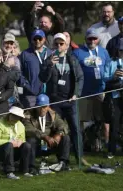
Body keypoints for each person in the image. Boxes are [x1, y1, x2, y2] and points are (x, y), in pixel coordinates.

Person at [39, 33, 88, 166]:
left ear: (67, 46)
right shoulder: (49, 59)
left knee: (76, 129)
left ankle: (79, 157)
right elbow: (42, 78)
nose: (59, 46)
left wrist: (76, 94)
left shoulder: (72, 59)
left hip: (70, 101)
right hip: (55, 102)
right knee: (57, 130)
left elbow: (80, 77)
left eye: (62, 44)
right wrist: (49, 65)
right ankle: (61, 158)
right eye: (56, 44)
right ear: (53, 45)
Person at [74, 29, 111, 151]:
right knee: (83, 119)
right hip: (84, 92)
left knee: (102, 118)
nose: (92, 41)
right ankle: (83, 143)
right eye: (90, 38)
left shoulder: (103, 52)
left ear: (98, 39)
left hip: (100, 90)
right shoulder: (78, 53)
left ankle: (104, 142)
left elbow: (108, 67)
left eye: (94, 38)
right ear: (85, 39)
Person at [24, 94, 71, 172]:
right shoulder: (28, 114)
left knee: (65, 137)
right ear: (36, 106)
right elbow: (29, 129)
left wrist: (59, 134)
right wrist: (44, 136)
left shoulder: (52, 114)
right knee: (30, 140)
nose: (42, 109)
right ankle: (31, 167)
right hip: (37, 144)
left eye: (45, 107)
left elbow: (63, 125)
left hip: (50, 144)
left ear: (48, 106)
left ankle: (63, 163)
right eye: (40, 107)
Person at [0, 106, 33, 179]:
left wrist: (20, 142)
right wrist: (10, 142)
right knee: (9, 145)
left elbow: (23, 139)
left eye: (18, 117)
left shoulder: (20, 125)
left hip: (13, 151)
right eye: (14, 116)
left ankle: (25, 170)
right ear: (10, 114)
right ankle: (9, 172)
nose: (16, 119)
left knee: (26, 145)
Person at [19, 29, 53, 108]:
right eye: (35, 39)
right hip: (31, 94)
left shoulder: (50, 53)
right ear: (31, 40)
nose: (37, 41)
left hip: (48, 93)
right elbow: (19, 72)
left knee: (47, 117)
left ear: (44, 39)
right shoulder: (25, 54)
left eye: (40, 38)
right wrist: (25, 85)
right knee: (32, 117)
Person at [103, 40, 123, 158]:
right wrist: (114, 76)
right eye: (120, 50)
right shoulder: (110, 62)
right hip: (115, 96)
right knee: (114, 123)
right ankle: (111, 150)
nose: (122, 52)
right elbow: (104, 79)